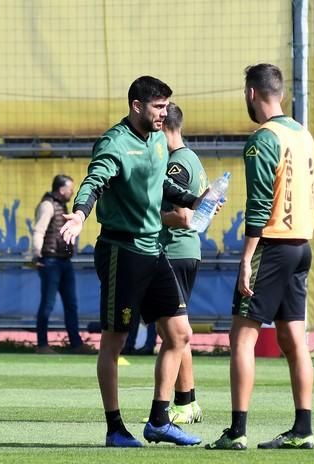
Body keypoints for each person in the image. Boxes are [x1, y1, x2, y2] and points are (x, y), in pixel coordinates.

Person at [60, 76, 205, 448]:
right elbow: (95, 182)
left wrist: (193, 199)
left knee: (180, 335)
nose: (165, 113)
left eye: (167, 106)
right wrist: (78, 215)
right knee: (115, 342)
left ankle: (159, 420)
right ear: (137, 106)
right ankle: (115, 429)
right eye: (158, 106)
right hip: (121, 252)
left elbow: (161, 187)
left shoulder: (159, 140)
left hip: (154, 249)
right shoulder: (114, 142)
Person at [206, 63, 314, 451]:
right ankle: (303, 429)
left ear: (251, 94)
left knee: (242, 338)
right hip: (302, 245)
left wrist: (245, 259)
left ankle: (237, 431)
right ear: (281, 94)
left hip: (271, 245)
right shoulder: (302, 134)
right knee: (293, 339)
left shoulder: (263, 139)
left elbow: (258, 204)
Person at [159, 102, 208, 424]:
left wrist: (144, 221)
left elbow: (182, 216)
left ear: (164, 128)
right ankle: (188, 402)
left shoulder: (177, 164)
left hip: (174, 251)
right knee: (176, 333)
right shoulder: (192, 159)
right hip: (185, 252)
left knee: (175, 333)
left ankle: (182, 404)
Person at [31, 175, 93, 355]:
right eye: (70, 188)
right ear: (61, 189)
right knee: (47, 305)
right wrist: (37, 255)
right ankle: (42, 345)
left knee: (71, 305)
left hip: (64, 262)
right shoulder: (47, 205)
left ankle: (75, 344)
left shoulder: (61, 206)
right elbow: (39, 231)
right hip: (50, 262)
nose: (72, 191)